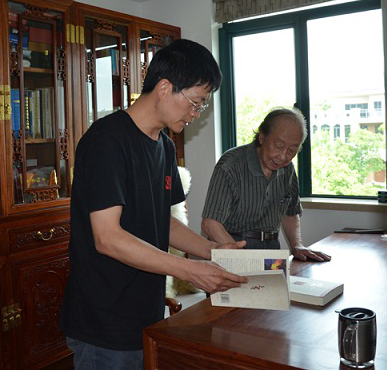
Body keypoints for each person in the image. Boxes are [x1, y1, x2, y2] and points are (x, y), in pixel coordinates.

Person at [60, 39, 247, 370]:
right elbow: (107, 237)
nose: (196, 114)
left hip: (146, 310)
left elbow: (164, 221)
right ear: (164, 88)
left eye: (202, 106)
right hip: (105, 320)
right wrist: (188, 269)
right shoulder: (106, 141)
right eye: (196, 102)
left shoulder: (165, 146)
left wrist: (213, 251)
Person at [201, 108, 331, 261]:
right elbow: (210, 223)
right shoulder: (231, 165)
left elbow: (291, 211)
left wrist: (297, 245)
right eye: (278, 146)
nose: (283, 156)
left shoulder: (287, 169)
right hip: (232, 246)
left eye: (291, 150)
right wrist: (241, 256)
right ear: (262, 136)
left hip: (271, 249)